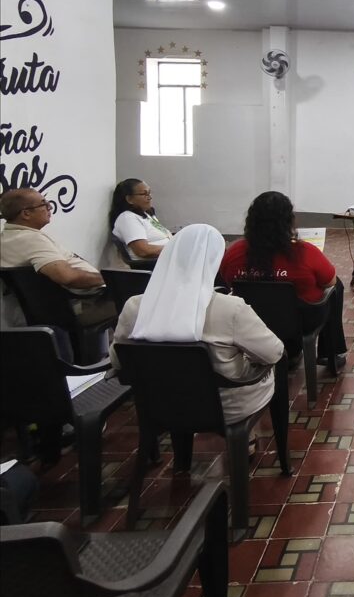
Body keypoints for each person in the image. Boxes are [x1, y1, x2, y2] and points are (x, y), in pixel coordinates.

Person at [111, 223, 284, 424]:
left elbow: (117, 359)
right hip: (225, 407)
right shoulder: (230, 308)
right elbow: (273, 352)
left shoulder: (134, 306)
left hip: (159, 405)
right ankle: (254, 436)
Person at [220, 191, 347, 364]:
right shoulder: (304, 252)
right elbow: (330, 281)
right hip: (300, 322)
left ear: (251, 220)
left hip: (249, 320)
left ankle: (286, 352)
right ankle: (330, 353)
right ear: (288, 221)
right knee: (336, 287)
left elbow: (226, 279)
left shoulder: (234, 252)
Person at [0, 187, 117, 357]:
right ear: (26, 213)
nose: (49, 207)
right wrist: (111, 279)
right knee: (138, 300)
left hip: (67, 305)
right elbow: (67, 277)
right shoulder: (30, 239)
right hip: (77, 307)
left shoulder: (11, 237)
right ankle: (131, 361)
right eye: (44, 204)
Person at [108, 178, 173, 260]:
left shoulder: (146, 214)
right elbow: (143, 251)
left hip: (169, 258)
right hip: (157, 263)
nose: (150, 197)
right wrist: (174, 249)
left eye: (149, 193)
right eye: (144, 194)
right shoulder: (127, 218)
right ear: (129, 199)